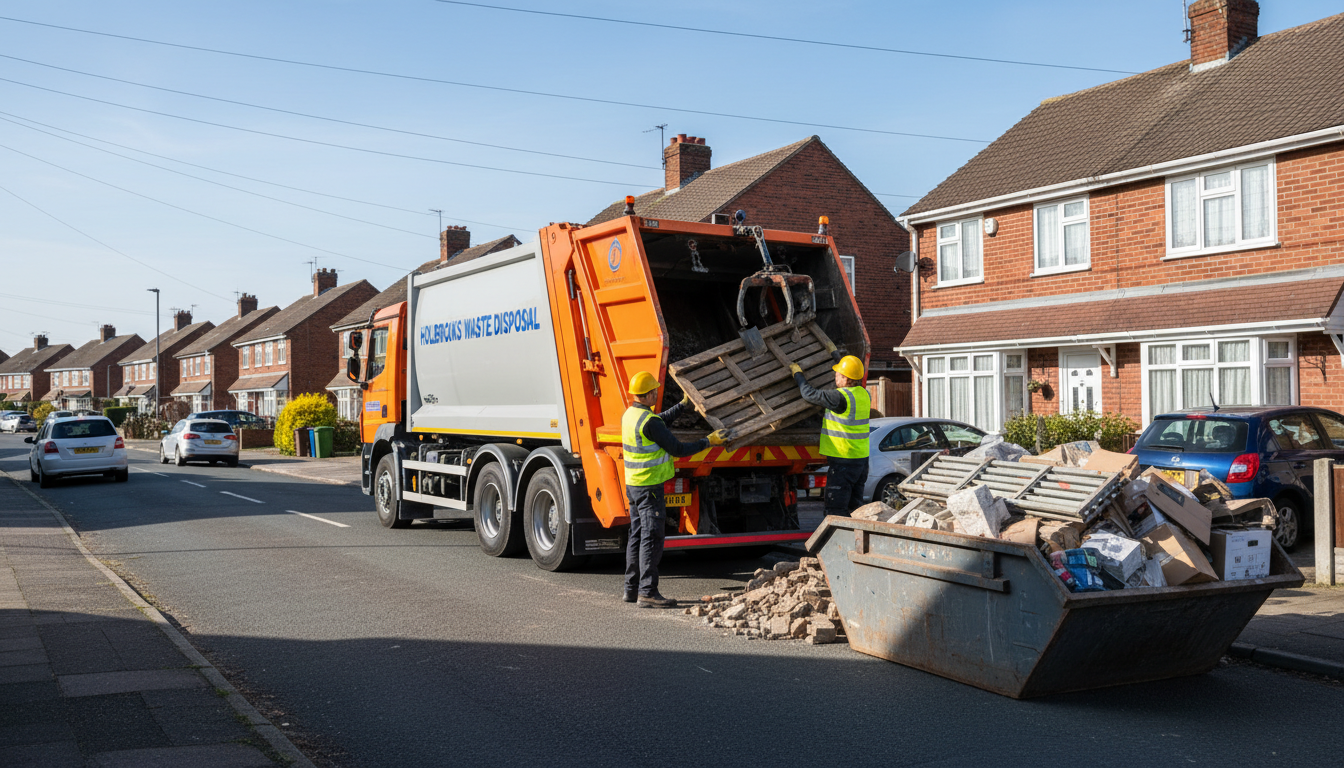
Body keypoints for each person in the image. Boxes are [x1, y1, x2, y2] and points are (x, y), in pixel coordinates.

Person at [622, 371, 726, 608]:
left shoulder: (631, 415)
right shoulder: (650, 422)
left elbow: (660, 421)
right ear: (647, 394)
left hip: (635, 485)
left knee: (636, 535)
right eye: (654, 392)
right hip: (650, 488)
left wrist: (681, 406)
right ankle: (647, 592)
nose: (657, 394)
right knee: (652, 537)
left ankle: (631, 589)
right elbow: (677, 449)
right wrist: (709, 441)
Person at [789, 354, 870, 517]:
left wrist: (798, 375)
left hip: (844, 461)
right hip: (861, 461)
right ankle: (856, 540)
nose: (835, 377)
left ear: (846, 378)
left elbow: (809, 394)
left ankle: (838, 541)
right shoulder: (863, 394)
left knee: (835, 511)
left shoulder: (840, 397)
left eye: (838, 374)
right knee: (855, 509)